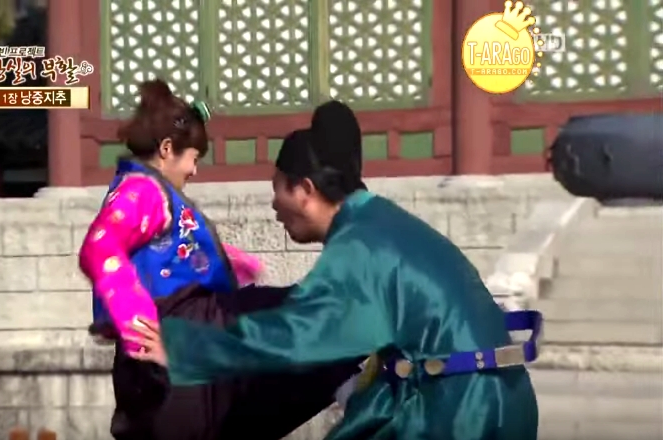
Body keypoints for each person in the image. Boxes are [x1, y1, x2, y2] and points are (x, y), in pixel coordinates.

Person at [128, 100, 541, 440]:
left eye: (278, 188)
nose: (274, 206)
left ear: (305, 190)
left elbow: (293, 336)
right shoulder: (381, 222)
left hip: (459, 409)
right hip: (501, 397)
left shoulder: (357, 246)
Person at [78, 80, 360, 440]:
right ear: (167, 149)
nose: (194, 171)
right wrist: (137, 324)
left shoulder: (148, 193)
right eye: (193, 158)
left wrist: (227, 264)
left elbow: (168, 253)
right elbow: (100, 246)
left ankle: (349, 382)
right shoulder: (143, 192)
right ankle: (352, 385)